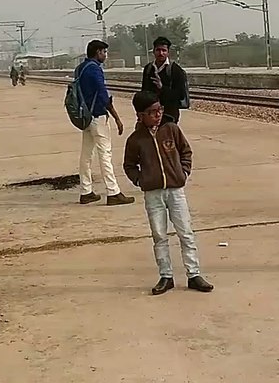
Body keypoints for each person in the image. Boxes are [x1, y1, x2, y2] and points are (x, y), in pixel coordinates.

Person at [123, 90, 213, 295]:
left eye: (160, 109)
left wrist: (183, 172)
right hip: (153, 194)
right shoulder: (135, 139)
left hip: (175, 190)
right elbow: (129, 165)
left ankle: (194, 274)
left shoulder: (171, 129)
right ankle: (166, 276)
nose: (158, 114)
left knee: (185, 232)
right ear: (140, 115)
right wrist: (140, 180)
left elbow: (185, 151)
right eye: (153, 112)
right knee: (159, 235)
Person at [75, 40, 134, 206]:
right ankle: (113, 192)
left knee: (86, 156)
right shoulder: (95, 70)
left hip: (85, 117)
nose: (105, 56)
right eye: (104, 52)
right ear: (98, 52)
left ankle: (85, 191)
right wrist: (116, 117)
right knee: (105, 154)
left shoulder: (80, 68)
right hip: (98, 117)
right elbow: (103, 95)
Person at [140, 36, 188, 124]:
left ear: (168, 52)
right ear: (153, 51)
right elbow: (144, 92)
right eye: (158, 50)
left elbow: (180, 95)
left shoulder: (175, 70)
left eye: (164, 50)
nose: (161, 53)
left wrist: (162, 88)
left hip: (169, 115)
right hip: (151, 116)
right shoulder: (148, 69)